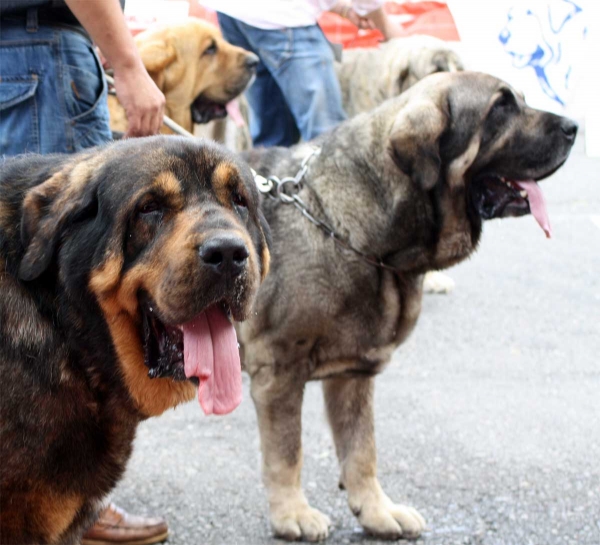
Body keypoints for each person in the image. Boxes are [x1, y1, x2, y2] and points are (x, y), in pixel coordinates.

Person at [0, 2, 168, 544]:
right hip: (42, 52)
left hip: (19, 51)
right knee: (49, 301)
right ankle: (51, 503)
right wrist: (126, 64)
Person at [200, 0, 406, 147]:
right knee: (329, 140)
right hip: (283, 18)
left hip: (235, 12)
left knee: (273, 136)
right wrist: (386, 27)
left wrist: (343, 8)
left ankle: (271, 202)